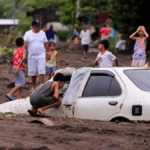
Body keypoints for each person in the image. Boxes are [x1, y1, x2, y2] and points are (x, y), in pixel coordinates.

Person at [24, 20, 49, 92]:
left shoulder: (43, 33)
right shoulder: (28, 33)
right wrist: (21, 50)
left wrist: (49, 52)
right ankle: (33, 87)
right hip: (32, 56)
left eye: (40, 25)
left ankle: (41, 86)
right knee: (33, 72)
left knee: (41, 71)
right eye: (38, 26)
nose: (40, 27)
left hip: (41, 55)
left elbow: (46, 43)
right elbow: (24, 43)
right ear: (34, 26)